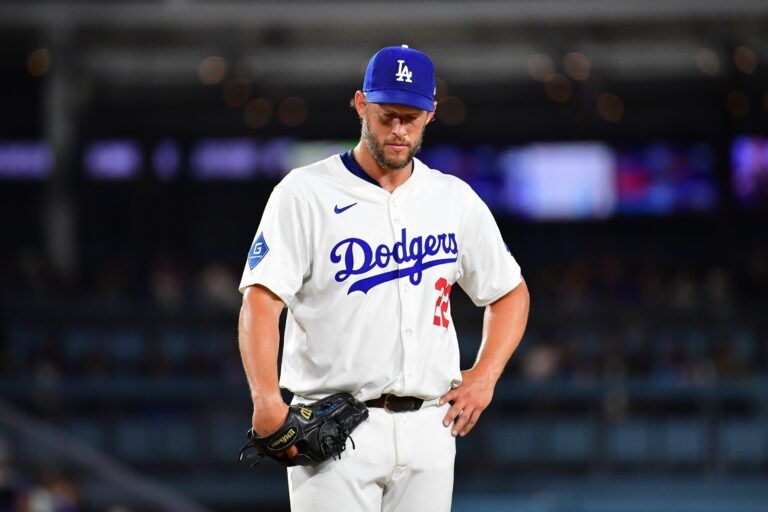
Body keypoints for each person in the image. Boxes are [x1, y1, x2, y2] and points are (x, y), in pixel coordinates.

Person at [237, 44, 530, 512]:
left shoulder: (452, 199)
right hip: (335, 427)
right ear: (360, 104)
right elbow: (261, 300)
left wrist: (485, 375)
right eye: (386, 114)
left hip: (430, 427)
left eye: (410, 117)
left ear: (431, 114)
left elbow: (510, 292)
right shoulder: (305, 192)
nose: (398, 129)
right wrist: (266, 398)